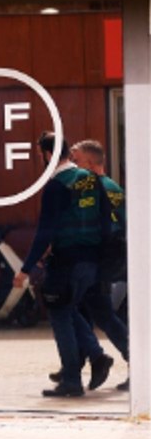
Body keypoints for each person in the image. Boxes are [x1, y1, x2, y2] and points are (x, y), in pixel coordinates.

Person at [13, 133, 110, 398]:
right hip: (91, 261)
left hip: (66, 261)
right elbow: (105, 221)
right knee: (67, 309)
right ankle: (97, 356)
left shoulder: (56, 185)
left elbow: (45, 231)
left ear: (46, 154)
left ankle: (71, 380)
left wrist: (26, 268)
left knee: (58, 314)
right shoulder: (91, 179)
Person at [63, 139, 129, 391]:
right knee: (98, 312)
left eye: (77, 160)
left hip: (96, 261)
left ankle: (83, 364)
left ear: (90, 163)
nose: (73, 165)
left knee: (81, 310)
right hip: (111, 261)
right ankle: (79, 364)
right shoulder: (114, 188)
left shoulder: (88, 190)